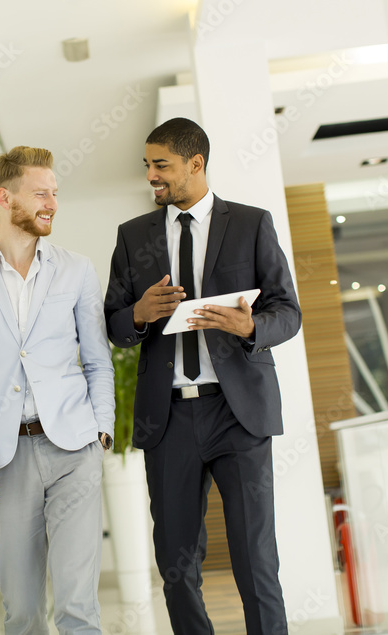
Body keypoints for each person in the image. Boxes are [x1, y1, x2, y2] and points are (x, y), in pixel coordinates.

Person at [105, 118, 300, 635]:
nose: (151, 175)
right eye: (147, 165)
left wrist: (250, 325)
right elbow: (113, 323)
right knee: (176, 564)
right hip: (167, 419)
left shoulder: (251, 224)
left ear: (196, 163)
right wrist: (140, 313)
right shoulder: (133, 237)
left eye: (160, 164)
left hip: (239, 415)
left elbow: (289, 312)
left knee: (256, 559)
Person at [0, 146, 115, 634]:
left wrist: (101, 431)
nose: (52, 203)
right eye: (41, 193)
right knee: (21, 610)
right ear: (5, 197)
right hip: (6, 457)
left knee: (78, 606)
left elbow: (98, 361)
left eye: (55, 193)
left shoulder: (76, 269)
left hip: (74, 450)